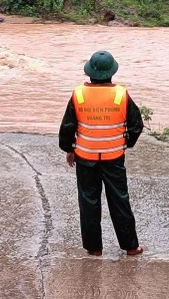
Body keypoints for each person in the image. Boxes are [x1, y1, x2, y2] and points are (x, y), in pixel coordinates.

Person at [59, 50, 145, 257]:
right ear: (111, 73)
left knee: (89, 202)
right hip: (113, 158)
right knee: (119, 201)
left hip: (85, 158)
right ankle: (131, 247)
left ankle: (94, 248)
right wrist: (125, 143)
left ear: (89, 72)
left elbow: (67, 127)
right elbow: (136, 125)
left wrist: (69, 149)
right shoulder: (121, 94)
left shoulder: (78, 94)